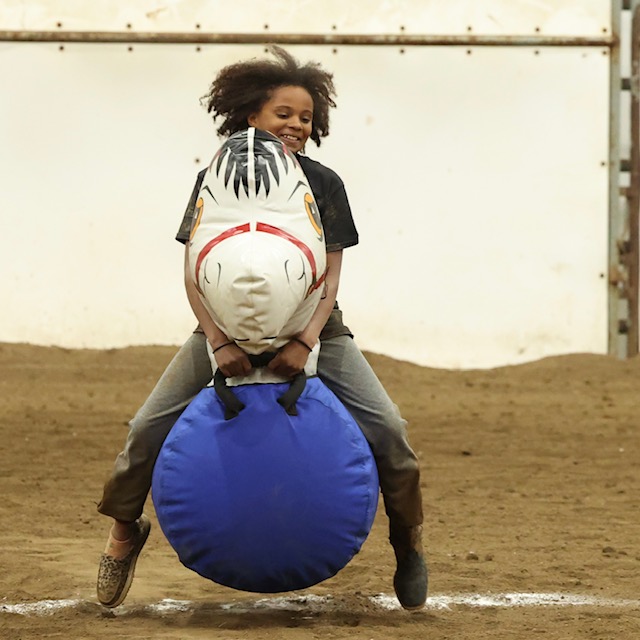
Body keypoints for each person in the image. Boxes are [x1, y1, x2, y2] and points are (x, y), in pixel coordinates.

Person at [96, 46, 428, 611]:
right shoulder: (212, 179)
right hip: (219, 331)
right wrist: (218, 340)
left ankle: (408, 541)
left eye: (304, 117)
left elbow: (331, 276)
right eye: (283, 114)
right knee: (144, 430)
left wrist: (305, 340)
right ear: (252, 116)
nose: (296, 125)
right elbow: (193, 270)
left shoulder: (324, 184)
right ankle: (124, 534)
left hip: (315, 329)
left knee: (392, 433)